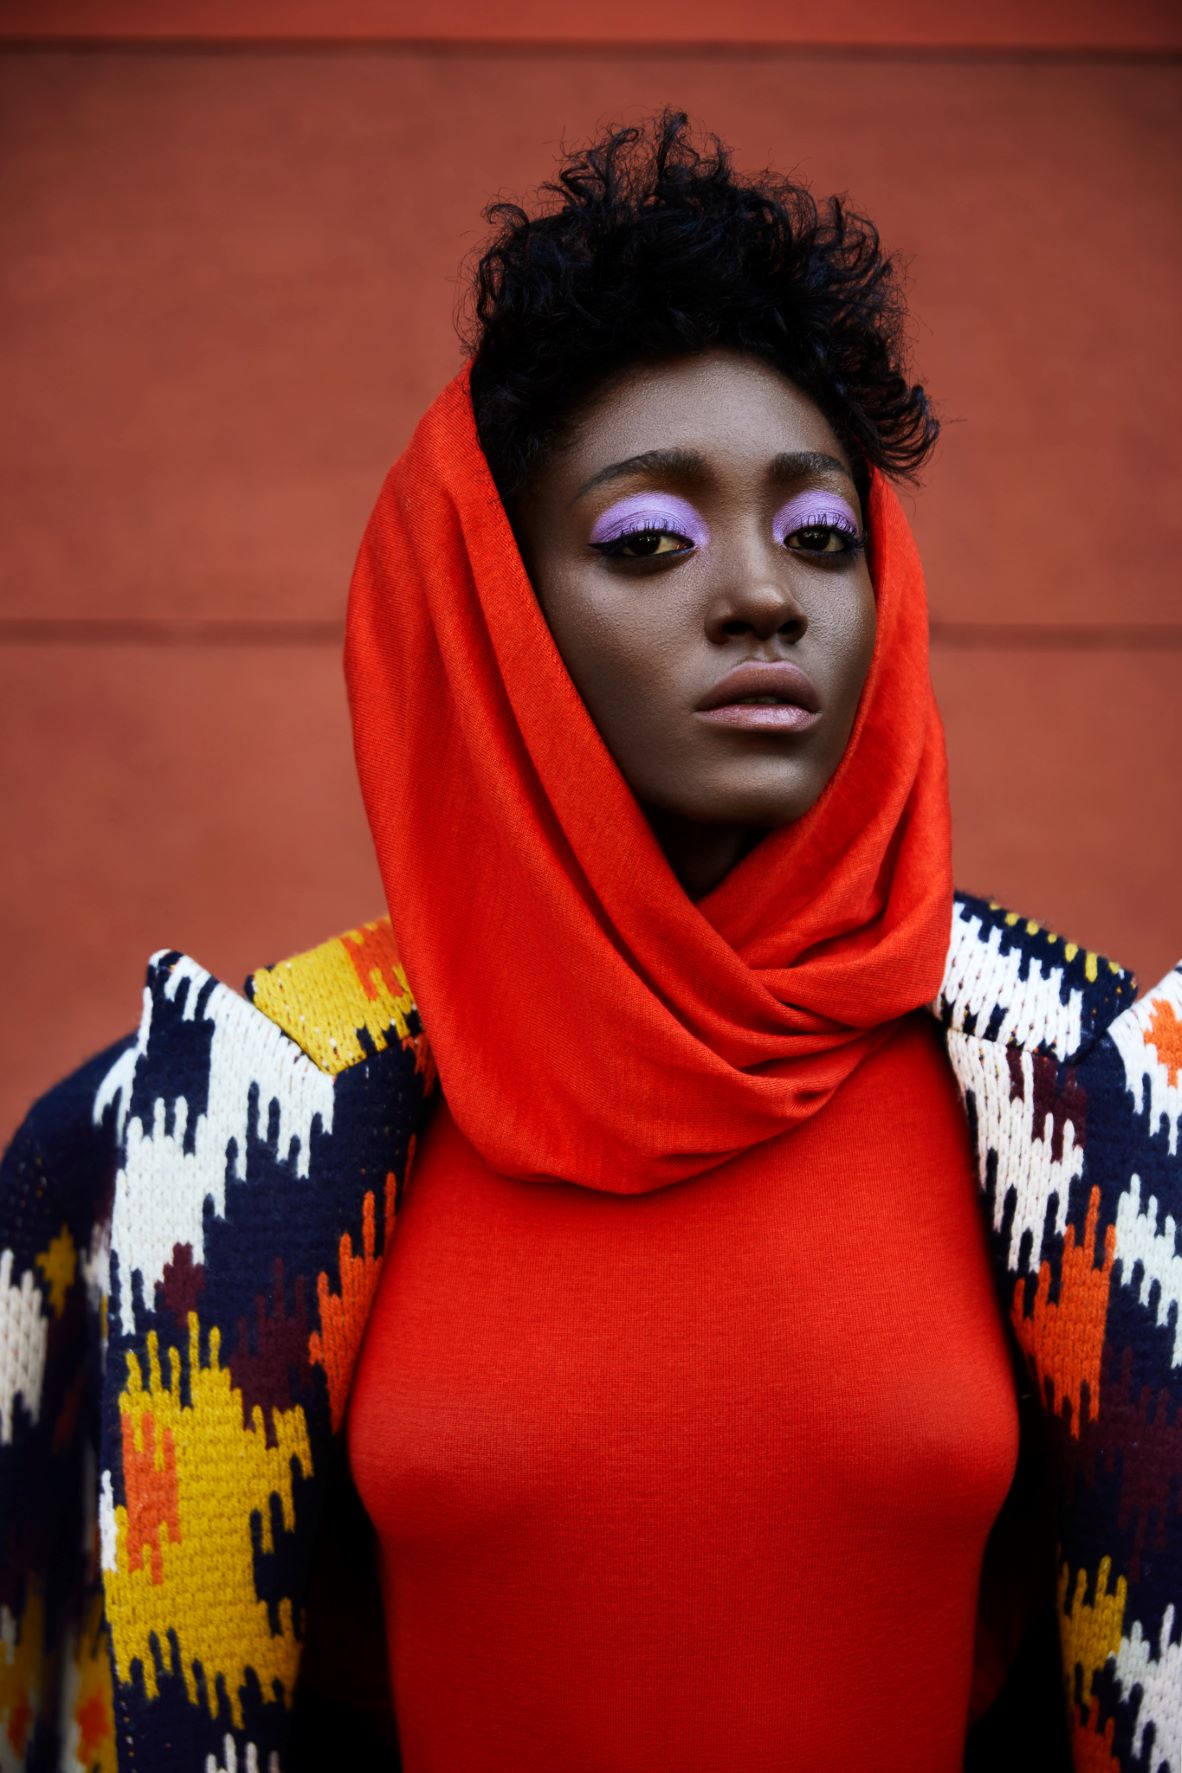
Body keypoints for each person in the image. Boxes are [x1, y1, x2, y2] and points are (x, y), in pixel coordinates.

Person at [0, 111, 1177, 1773]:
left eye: (823, 534)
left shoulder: (1089, 1109)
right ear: (493, 609)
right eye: (648, 540)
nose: (764, 593)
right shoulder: (213, 1139)